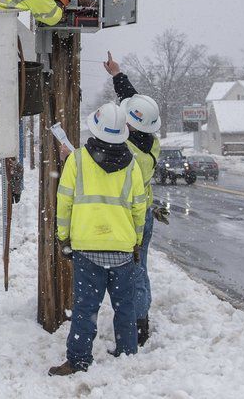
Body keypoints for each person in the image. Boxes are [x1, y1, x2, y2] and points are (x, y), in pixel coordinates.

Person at [49, 102, 147, 376]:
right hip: (122, 250)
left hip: (87, 249)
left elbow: (64, 202)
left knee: (85, 309)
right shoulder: (133, 166)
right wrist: (136, 241)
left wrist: (63, 237)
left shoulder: (77, 160)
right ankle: (127, 355)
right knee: (124, 308)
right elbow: (140, 207)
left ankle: (78, 360)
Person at [103, 51, 165, 346]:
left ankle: (137, 323)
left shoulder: (127, 152)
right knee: (140, 268)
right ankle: (139, 316)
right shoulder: (151, 141)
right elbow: (136, 103)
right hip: (146, 214)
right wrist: (117, 75)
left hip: (132, 216)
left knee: (132, 271)